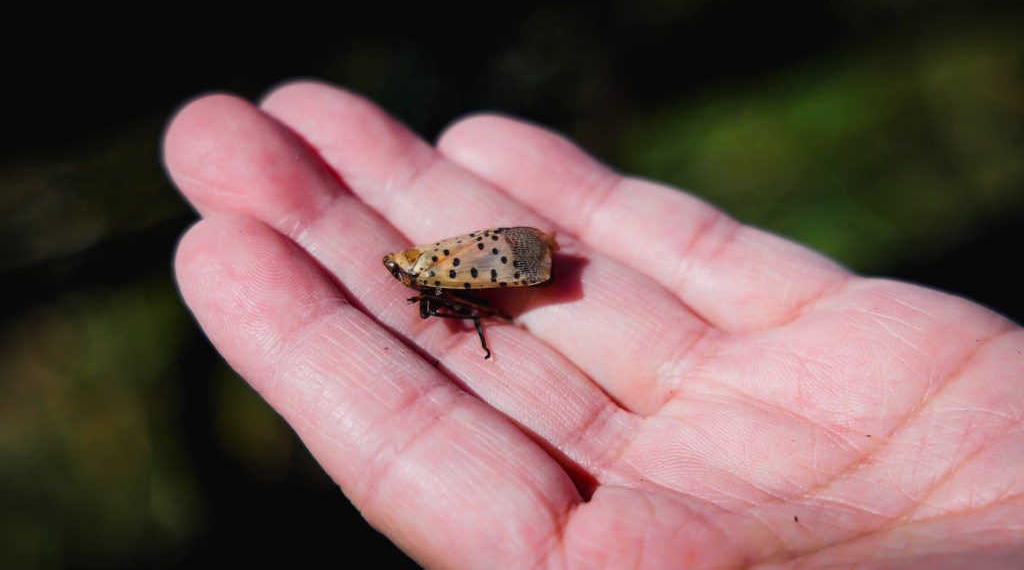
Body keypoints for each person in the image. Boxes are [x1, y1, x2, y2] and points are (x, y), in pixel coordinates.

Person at [163, 80, 1024, 568]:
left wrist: (473, 304)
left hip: (499, 259)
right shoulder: (434, 264)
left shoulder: (431, 269)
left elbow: (459, 286)